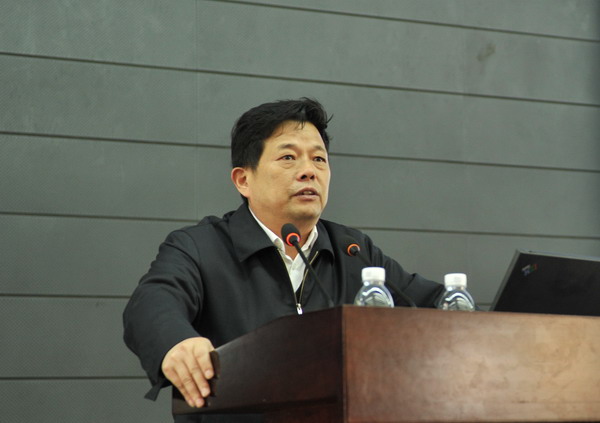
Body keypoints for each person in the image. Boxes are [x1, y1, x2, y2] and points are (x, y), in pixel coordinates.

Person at [123, 98, 444, 422]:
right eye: (288, 157)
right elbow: (152, 301)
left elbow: (434, 305)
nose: (309, 171)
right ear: (243, 180)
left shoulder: (352, 249)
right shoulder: (200, 247)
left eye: (319, 159)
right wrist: (177, 343)